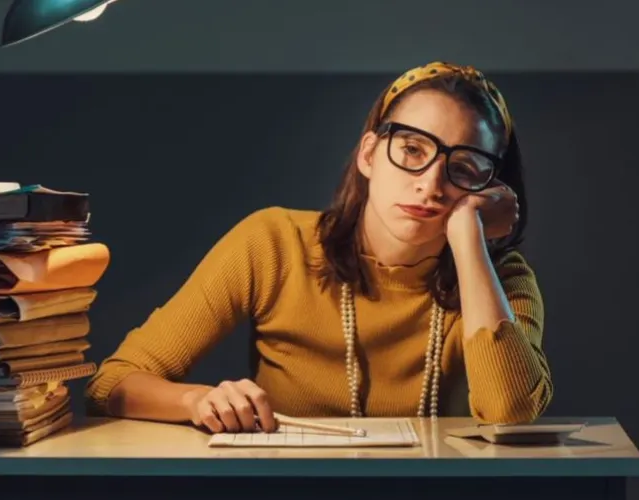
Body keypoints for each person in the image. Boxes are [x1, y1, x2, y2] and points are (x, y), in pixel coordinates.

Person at [85, 61, 552, 433]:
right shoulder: (274, 243)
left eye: (465, 167)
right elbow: (111, 383)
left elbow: (509, 410)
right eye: (411, 150)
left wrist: (468, 234)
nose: (430, 184)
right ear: (369, 154)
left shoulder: (501, 279)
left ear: (491, 188)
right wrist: (196, 400)